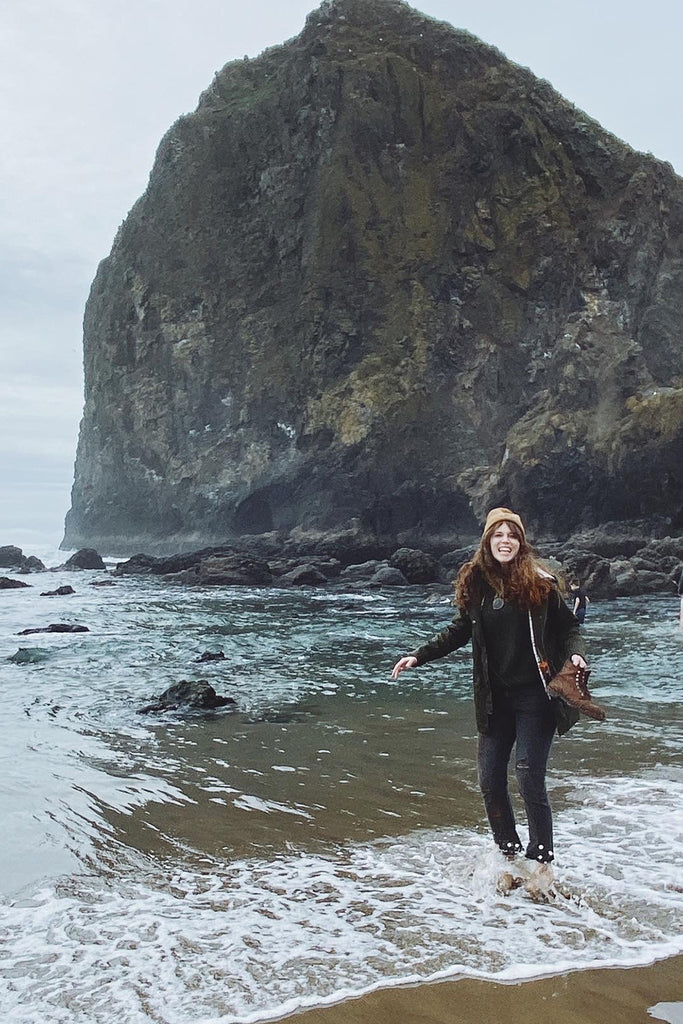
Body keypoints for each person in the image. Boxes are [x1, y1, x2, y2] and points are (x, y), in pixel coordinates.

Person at [391, 507, 587, 872]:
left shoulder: (540, 584)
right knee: (490, 780)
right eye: (498, 535)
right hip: (495, 698)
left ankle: (541, 863)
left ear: (521, 544)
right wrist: (418, 656)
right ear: (487, 542)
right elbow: (459, 630)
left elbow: (570, 628)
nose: (505, 541)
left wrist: (575, 656)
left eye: (512, 535)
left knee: (528, 774)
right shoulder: (477, 584)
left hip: (536, 696)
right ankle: (508, 855)